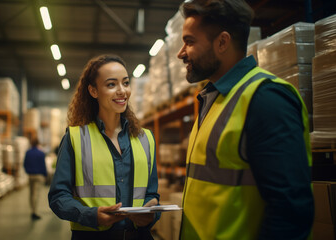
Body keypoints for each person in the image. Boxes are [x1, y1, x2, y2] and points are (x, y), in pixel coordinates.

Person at [176, 0, 314, 239]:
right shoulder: (215, 98)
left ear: (222, 42)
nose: (181, 53)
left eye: (189, 42)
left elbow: (291, 211)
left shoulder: (267, 99)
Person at [48, 54, 160, 240]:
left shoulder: (145, 138)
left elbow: (152, 193)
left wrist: (151, 213)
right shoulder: (75, 138)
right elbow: (58, 197)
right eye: (111, 84)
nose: (122, 91)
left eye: (125, 83)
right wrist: (92, 216)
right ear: (93, 91)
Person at [24, 138, 47, 220]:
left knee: (31, 193)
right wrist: (45, 174)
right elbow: (43, 165)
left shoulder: (28, 153)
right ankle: (35, 212)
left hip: (30, 175)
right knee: (36, 194)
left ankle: (32, 210)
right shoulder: (41, 153)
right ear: (38, 143)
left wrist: (28, 171)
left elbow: (25, 163)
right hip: (39, 176)